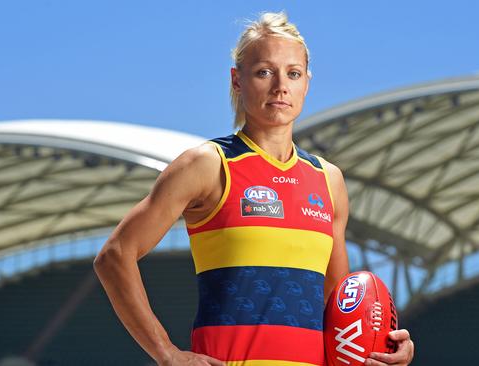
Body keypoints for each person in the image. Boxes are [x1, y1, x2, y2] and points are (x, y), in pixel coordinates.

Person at [93, 12, 414, 366]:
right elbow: (114, 256)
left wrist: (382, 347)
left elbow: (338, 308)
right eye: (264, 72)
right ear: (236, 80)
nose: (280, 86)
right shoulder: (208, 164)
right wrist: (167, 353)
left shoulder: (328, 179)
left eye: (293, 73)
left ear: (306, 83)